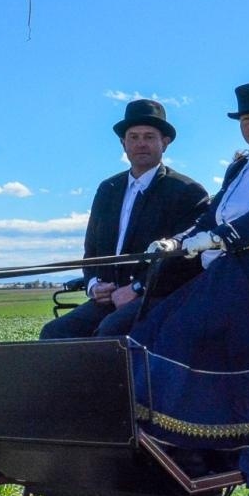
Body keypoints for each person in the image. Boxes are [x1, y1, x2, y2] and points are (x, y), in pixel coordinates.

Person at [127, 81, 249, 493]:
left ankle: (209, 437)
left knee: (186, 328)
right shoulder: (240, 166)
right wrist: (179, 241)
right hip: (231, 268)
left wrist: (220, 239)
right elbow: (211, 216)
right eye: (246, 119)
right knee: (158, 325)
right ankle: (180, 436)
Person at [40, 99, 208, 340]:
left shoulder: (186, 191)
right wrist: (94, 285)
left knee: (110, 331)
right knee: (55, 332)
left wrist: (137, 288)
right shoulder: (108, 189)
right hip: (110, 298)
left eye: (149, 137)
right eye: (134, 137)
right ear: (123, 143)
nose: (141, 144)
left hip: (159, 298)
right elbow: (92, 250)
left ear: (165, 143)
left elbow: (187, 259)